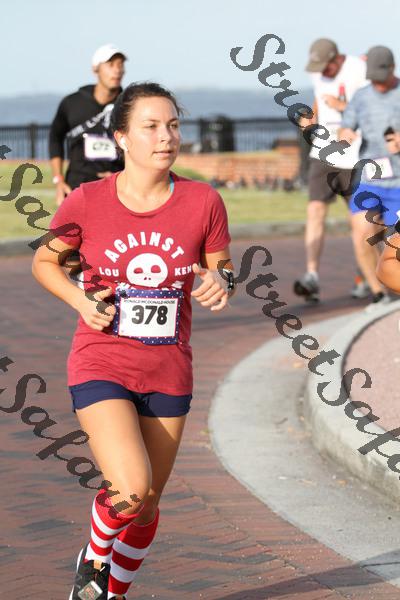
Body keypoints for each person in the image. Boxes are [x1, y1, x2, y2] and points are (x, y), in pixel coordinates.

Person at [32, 82, 235, 600]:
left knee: (146, 507)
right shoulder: (86, 200)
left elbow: (224, 268)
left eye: (173, 125)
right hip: (101, 360)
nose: (166, 137)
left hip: (169, 368)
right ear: (121, 137)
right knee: (129, 489)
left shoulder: (203, 201)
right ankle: (94, 561)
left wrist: (221, 281)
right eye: (151, 126)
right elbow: (45, 262)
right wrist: (80, 300)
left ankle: (112, 593)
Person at [294, 38, 368, 303]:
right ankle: (311, 276)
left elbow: (377, 108)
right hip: (324, 153)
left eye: (326, 67)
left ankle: (365, 275)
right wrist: (311, 117)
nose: (322, 72)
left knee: (360, 222)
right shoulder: (318, 73)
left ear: (337, 59)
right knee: (315, 210)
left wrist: (343, 107)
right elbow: (319, 97)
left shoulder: (360, 69)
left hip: (356, 156)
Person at [339, 46, 400, 310]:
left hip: (399, 182)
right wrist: (345, 134)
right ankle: (378, 294)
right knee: (361, 233)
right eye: (373, 78)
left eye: (381, 78)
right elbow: (346, 125)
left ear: (392, 69)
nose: (378, 84)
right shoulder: (362, 96)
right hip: (370, 178)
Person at [49, 43, 127, 207]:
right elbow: (55, 138)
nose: (117, 70)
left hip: (119, 187)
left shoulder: (129, 104)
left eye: (120, 64)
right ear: (95, 69)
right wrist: (58, 180)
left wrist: (125, 176)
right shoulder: (72, 103)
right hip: (77, 186)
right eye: (111, 64)